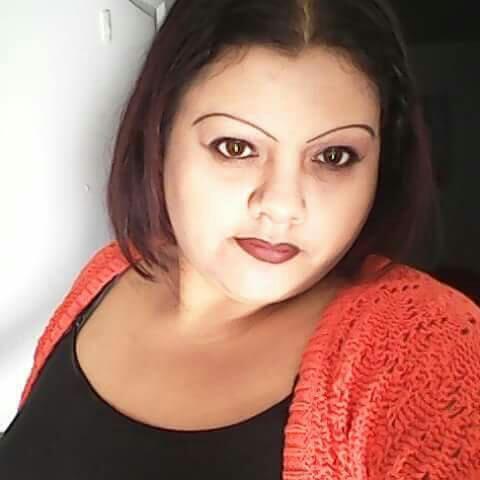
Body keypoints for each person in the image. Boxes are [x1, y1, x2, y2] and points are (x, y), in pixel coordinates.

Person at [1, 0, 479, 478]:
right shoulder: (108, 275)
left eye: (334, 156)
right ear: (161, 134)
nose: (283, 205)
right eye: (236, 147)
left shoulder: (429, 350)